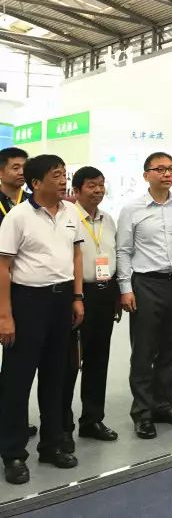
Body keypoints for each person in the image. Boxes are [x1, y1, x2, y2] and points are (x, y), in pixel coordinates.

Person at [0, 154, 84, 485]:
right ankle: (13, 454)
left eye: (64, 174)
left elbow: (76, 254)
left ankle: (51, 445)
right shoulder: (18, 217)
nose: (63, 180)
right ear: (36, 183)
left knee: (56, 376)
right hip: (27, 302)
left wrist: (77, 296)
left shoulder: (70, 212)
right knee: (17, 381)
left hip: (61, 300)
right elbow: (3, 267)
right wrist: (5, 315)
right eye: (56, 175)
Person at [117, 151, 172, 440]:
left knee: (171, 349)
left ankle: (163, 405)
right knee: (144, 351)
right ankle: (143, 413)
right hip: (145, 284)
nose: (167, 173)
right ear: (146, 174)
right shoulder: (132, 209)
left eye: (170, 168)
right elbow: (123, 251)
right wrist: (125, 289)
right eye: (159, 169)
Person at [62, 167, 119, 451]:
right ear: (76, 190)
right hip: (78, 295)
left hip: (105, 293)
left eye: (101, 185)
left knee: (98, 359)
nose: (98, 190)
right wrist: (76, 296)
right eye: (91, 186)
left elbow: (113, 255)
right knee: (70, 363)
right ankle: (62, 427)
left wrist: (117, 295)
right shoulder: (68, 218)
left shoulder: (108, 219)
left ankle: (92, 420)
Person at [0, 146, 37, 440]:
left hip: (23, 291)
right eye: (15, 167)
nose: (22, 172)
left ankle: (14, 423)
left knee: (17, 363)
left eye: (25, 166)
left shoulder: (31, 203)